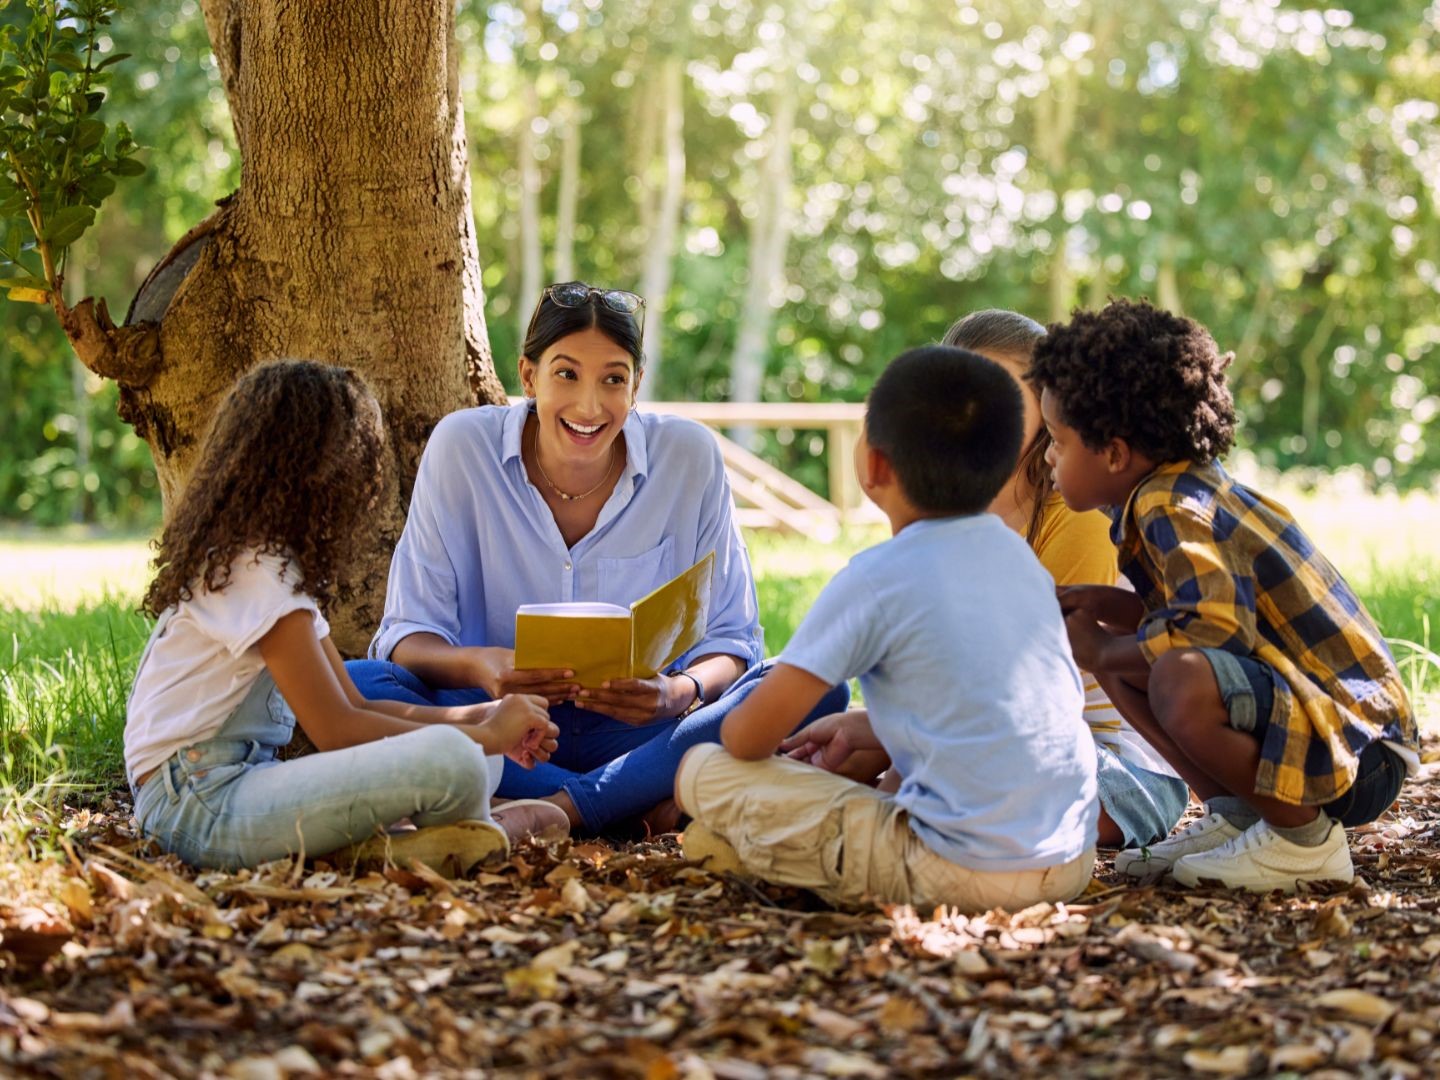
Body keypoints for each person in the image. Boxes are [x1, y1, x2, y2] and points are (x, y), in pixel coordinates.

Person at [348, 282, 848, 835]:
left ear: (636, 386)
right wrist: (486, 668)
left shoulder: (688, 456)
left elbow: (734, 640)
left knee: (817, 685)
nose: (589, 405)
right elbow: (407, 635)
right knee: (358, 684)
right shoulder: (463, 446)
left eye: (613, 379)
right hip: (503, 724)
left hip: (642, 730)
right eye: (566, 374)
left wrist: (674, 693)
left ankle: (560, 808)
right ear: (528, 375)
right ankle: (631, 801)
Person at [674, 346, 1098, 912]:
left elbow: (745, 738)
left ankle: (774, 850)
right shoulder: (1022, 560)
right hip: (1073, 857)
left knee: (702, 771)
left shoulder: (876, 577)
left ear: (873, 465)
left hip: (960, 871)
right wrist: (872, 727)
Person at [1031, 298, 1419, 892]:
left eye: (1057, 440)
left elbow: (1209, 636)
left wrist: (1105, 653)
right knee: (1141, 654)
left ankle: (1304, 843)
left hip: (1355, 753)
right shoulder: (1165, 492)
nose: (1049, 456)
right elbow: (1207, 615)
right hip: (1322, 733)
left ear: (1113, 452)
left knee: (1174, 675)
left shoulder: (1173, 505)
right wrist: (1104, 608)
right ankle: (1242, 816)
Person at [125, 360, 565, 875]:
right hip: (195, 804)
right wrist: (486, 736)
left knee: (475, 758)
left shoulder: (276, 571)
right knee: (460, 760)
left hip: (229, 788)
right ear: (325, 471)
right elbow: (338, 728)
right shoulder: (254, 572)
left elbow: (357, 701)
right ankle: (412, 839)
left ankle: (404, 841)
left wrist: (485, 720)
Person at [942, 310, 1189, 851]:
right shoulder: (946, 516)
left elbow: (1039, 687)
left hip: (1116, 766)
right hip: (991, 741)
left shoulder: (1073, 517)